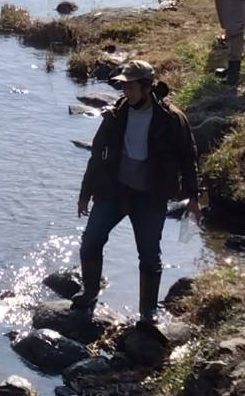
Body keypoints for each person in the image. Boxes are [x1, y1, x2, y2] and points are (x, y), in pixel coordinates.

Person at [73, 60, 199, 323]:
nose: (125, 91)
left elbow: (189, 158)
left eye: (130, 86)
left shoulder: (172, 119)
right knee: (91, 242)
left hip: (151, 196)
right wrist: (85, 193)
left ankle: (148, 312)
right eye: (123, 86)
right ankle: (89, 292)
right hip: (114, 191)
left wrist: (194, 197)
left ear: (146, 87)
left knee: (150, 255)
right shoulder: (116, 114)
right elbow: (97, 155)